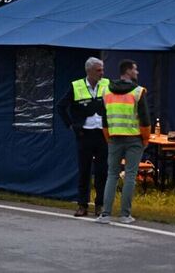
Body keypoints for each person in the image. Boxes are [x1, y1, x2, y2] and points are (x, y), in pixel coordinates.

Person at [97, 59, 151, 225]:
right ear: (128, 71)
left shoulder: (106, 91)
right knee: (130, 176)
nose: (137, 72)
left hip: (114, 138)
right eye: (135, 69)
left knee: (112, 175)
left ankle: (105, 214)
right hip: (134, 139)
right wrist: (145, 139)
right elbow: (145, 120)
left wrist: (108, 137)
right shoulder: (138, 92)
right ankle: (125, 215)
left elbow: (104, 120)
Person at [57, 57, 110, 217]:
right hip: (84, 134)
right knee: (84, 170)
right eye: (98, 70)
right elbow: (61, 106)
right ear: (89, 71)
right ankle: (82, 204)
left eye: (102, 69)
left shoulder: (107, 84)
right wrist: (71, 124)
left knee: (102, 171)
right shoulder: (77, 86)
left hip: (102, 134)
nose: (102, 73)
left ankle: (100, 204)